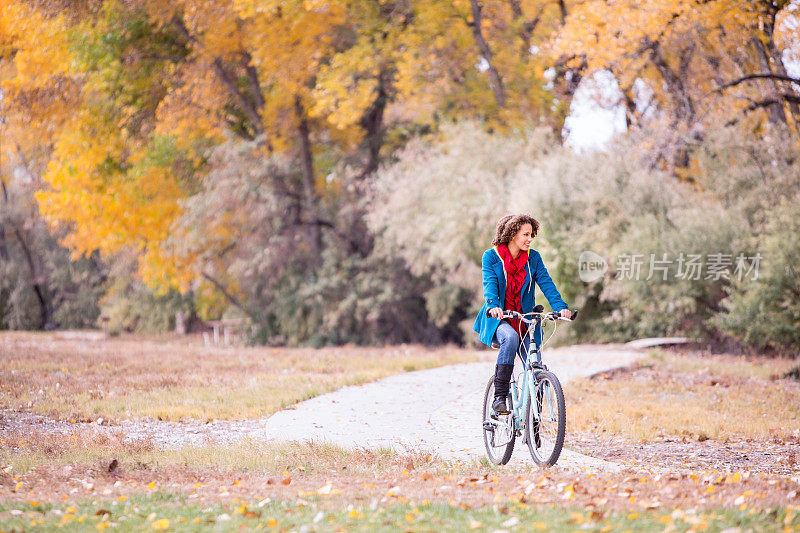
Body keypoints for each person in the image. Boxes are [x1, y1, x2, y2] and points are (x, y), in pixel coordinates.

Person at [473, 214, 572, 415]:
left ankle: (533, 425)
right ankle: (499, 398)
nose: (530, 239)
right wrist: (493, 305)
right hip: (500, 318)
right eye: (525, 234)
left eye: (531, 235)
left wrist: (560, 306)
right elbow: (489, 283)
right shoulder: (491, 257)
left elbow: (546, 283)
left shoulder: (533, 258)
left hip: (525, 320)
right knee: (510, 338)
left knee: (536, 367)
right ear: (512, 234)